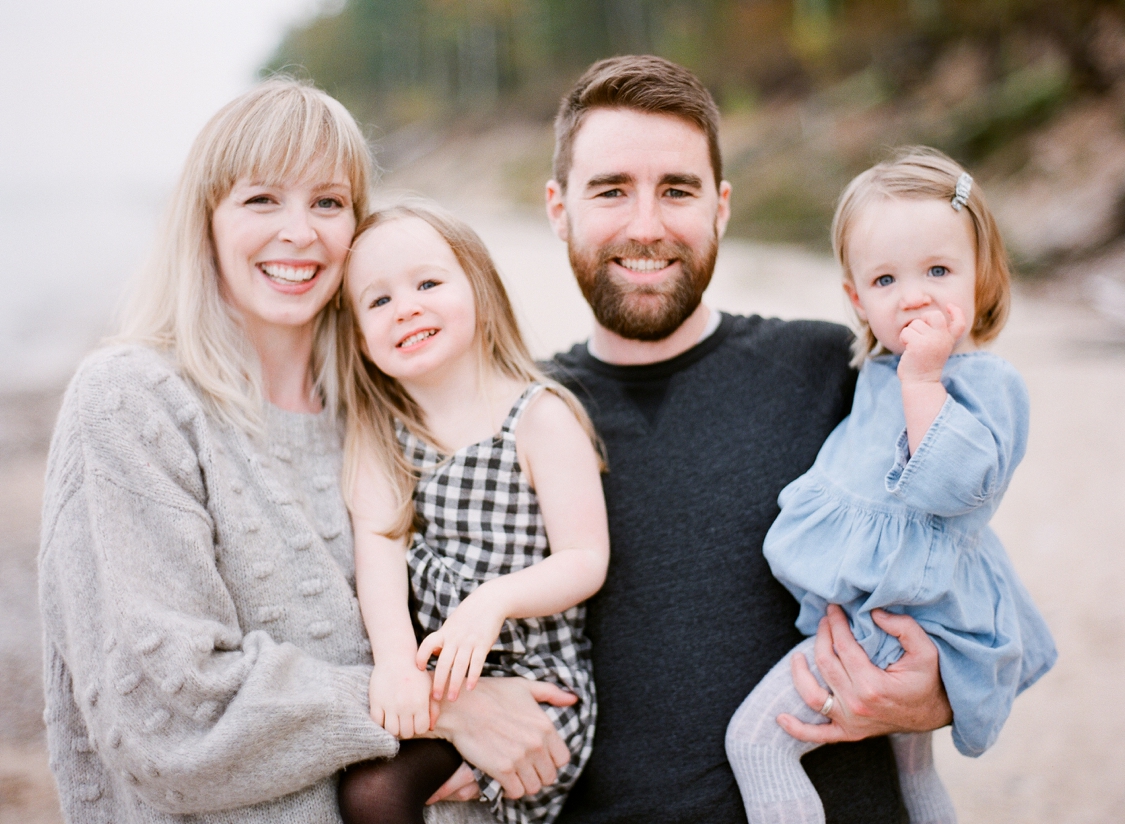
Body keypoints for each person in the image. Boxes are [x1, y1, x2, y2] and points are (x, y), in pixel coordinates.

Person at [725, 148, 1057, 824]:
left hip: (899, 608)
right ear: (854, 298)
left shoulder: (979, 383)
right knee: (911, 775)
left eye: (937, 270)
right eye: (884, 279)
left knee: (755, 743)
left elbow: (959, 486)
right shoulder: (878, 371)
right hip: (880, 601)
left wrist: (922, 381)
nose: (912, 296)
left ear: (982, 278)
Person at [332, 204, 609, 824]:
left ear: (479, 289)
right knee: (366, 789)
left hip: (540, 691)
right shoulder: (380, 436)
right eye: (377, 302)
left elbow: (585, 559)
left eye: (428, 284)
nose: (405, 307)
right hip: (443, 682)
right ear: (357, 335)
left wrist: (491, 603)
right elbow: (379, 563)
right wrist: (396, 665)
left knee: (376, 793)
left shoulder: (538, 418)